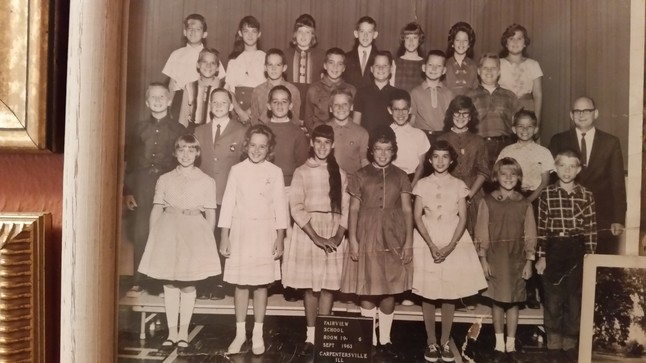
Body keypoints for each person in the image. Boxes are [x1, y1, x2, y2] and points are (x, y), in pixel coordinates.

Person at [137, 135, 220, 354]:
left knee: (188, 283)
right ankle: (172, 333)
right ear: (175, 152)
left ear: (197, 154)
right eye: (181, 150)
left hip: (193, 232)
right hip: (168, 231)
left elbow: (210, 213)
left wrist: (207, 240)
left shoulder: (206, 181)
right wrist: (153, 237)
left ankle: (183, 333)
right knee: (170, 283)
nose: (186, 155)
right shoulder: (164, 179)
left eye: (190, 151)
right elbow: (156, 209)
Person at [340, 126, 413, 356]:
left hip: (394, 233)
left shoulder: (401, 175)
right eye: (379, 149)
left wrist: (409, 241)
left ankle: (386, 338)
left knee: (390, 287)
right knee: (368, 288)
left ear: (394, 151)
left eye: (388, 150)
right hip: (367, 232)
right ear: (371, 151)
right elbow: (353, 209)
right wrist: (352, 238)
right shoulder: (360, 175)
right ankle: (368, 339)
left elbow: (408, 210)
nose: (383, 154)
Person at [411, 140, 487, 363]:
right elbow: (417, 216)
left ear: (452, 160)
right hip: (427, 239)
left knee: (449, 292)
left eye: (445, 156)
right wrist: (432, 245)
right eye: (436, 156)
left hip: (454, 239)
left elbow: (463, 218)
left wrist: (451, 245)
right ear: (430, 159)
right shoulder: (422, 184)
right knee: (429, 290)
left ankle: (445, 341)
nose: (440, 161)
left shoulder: (459, 184)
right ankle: (431, 341)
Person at [219, 124, 288, 355]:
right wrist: (224, 236)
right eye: (253, 145)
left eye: (262, 146)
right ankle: (240, 334)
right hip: (240, 232)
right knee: (241, 284)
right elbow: (228, 203)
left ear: (269, 149)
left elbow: (280, 206)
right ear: (246, 145)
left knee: (260, 284)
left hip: (264, 232)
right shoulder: (236, 170)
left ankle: (258, 333)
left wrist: (280, 238)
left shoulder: (275, 172)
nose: (257, 150)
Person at [282, 125, 350, 355]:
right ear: (312, 143)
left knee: (328, 286)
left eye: (326, 143)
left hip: (332, 231)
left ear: (332, 146)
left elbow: (346, 208)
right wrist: (316, 237)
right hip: (309, 232)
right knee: (311, 287)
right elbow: (297, 207)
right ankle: (311, 336)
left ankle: (324, 335)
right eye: (318, 142)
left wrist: (338, 236)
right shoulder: (302, 171)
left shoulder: (339, 173)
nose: (322, 147)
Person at [124, 83, 186, 297]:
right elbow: (129, 161)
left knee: (166, 230)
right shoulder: (137, 129)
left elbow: (185, 159)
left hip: (168, 182)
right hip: (142, 183)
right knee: (142, 231)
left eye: (162, 97)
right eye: (153, 97)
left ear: (169, 101)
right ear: (147, 102)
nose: (158, 100)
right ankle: (140, 279)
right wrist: (128, 190)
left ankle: (163, 280)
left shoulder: (179, 130)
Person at [535, 149, 597, 363]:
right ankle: (553, 345)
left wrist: (590, 257)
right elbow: (541, 228)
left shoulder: (586, 195)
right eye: (562, 166)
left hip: (577, 249)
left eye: (572, 166)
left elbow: (591, 229)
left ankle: (570, 344)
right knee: (553, 299)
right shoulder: (547, 194)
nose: (567, 170)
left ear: (579, 169)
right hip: (553, 248)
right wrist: (541, 256)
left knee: (574, 299)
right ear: (555, 168)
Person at [475, 157, 537, 363]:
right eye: (503, 173)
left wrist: (529, 260)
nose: (508, 177)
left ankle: (511, 345)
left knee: (514, 301)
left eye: (513, 174)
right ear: (495, 176)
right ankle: (498, 344)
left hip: (517, 258)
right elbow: (481, 232)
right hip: (495, 256)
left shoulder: (524, 203)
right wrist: (483, 259)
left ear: (519, 177)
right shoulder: (488, 200)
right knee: (497, 300)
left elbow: (530, 234)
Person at [548, 96, 626, 255]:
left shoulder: (611, 142)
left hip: (601, 216)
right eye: (577, 111)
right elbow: (551, 180)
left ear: (595, 113)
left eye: (586, 110)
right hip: (566, 215)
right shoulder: (558, 140)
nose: (581, 114)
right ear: (571, 115)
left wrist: (618, 218)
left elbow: (617, 183)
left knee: (599, 264)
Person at [193, 88, 247, 300]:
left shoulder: (241, 130)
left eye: (223, 102)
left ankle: (221, 284)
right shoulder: (200, 130)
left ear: (231, 106)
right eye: (214, 102)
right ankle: (205, 282)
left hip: (228, 194)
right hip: (204, 195)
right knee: (205, 239)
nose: (218, 105)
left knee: (224, 239)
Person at [496, 110, 553, 309]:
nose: (525, 130)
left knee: (532, 243)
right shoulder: (507, 151)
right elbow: (500, 177)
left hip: (535, 199)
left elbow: (545, 181)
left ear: (536, 129)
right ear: (513, 129)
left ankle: (531, 292)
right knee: (514, 243)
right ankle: (515, 290)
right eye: (520, 126)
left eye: (529, 126)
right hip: (514, 197)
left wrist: (529, 201)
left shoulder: (543, 152)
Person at [437, 95, 489, 236]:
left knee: (474, 234)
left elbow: (483, 171)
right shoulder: (442, 139)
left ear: (471, 116)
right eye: (457, 113)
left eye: (465, 113)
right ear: (450, 115)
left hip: (474, 193)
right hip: (448, 193)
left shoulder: (478, 141)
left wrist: (469, 195)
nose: (461, 117)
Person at [162, 14, 226, 116]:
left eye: (198, 29)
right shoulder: (176, 54)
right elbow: (171, 85)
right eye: (190, 29)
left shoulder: (210, 55)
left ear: (204, 34)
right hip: (180, 97)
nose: (193, 32)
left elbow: (220, 80)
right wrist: (168, 106)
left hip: (205, 99)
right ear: (184, 32)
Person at [467, 53, 519, 171]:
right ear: (479, 71)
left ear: (499, 71)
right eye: (485, 68)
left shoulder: (510, 96)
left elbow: (519, 125)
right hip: (478, 146)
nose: (489, 71)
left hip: (505, 146)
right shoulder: (469, 96)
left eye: (493, 68)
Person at [499, 24, 543, 125]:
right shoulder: (498, 63)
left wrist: (537, 122)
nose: (515, 42)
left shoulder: (533, 65)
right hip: (504, 112)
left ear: (525, 43)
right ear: (506, 43)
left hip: (527, 111)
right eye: (511, 38)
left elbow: (538, 95)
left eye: (519, 38)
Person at [304, 47, 356, 132]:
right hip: (320, 136)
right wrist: (315, 135)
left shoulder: (351, 90)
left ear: (344, 68)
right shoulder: (314, 89)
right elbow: (308, 118)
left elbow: (354, 118)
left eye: (339, 64)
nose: (335, 67)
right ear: (325, 65)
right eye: (331, 63)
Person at [265, 85, 309, 187]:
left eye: (284, 101)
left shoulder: (298, 132)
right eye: (275, 102)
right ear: (269, 106)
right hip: (266, 183)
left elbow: (302, 164)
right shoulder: (262, 131)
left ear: (290, 106)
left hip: (289, 185)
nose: (280, 105)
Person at [225, 15, 266, 124]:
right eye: (246, 31)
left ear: (259, 34)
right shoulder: (233, 62)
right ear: (240, 33)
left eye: (254, 31)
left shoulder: (266, 58)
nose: (250, 35)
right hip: (238, 110)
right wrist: (239, 111)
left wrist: (251, 110)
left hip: (261, 108)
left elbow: (268, 88)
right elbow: (229, 90)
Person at [284, 13, 325, 120]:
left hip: (313, 104)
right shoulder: (285, 54)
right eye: (300, 32)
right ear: (295, 34)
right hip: (290, 103)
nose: (303, 36)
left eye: (308, 32)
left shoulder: (321, 55)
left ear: (313, 35)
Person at [410, 50, 455, 145]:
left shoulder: (448, 94)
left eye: (438, 66)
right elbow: (411, 120)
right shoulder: (415, 92)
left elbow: (451, 121)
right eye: (430, 65)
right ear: (423, 67)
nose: (434, 69)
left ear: (444, 70)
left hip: (443, 137)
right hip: (421, 137)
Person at [353, 50, 402, 135]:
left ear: (391, 69)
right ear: (371, 69)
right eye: (377, 65)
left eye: (385, 65)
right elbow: (356, 123)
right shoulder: (361, 92)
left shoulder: (397, 94)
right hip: (366, 142)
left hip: (389, 143)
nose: (381, 68)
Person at [388, 89, 430, 187]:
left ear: (410, 110)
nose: (400, 114)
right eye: (396, 109)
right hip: (390, 180)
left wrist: (412, 186)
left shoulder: (419, 135)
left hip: (413, 180)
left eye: (404, 109)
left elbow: (421, 165)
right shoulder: (386, 133)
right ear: (390, 110)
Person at [249, 49, 301, 125]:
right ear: (265, 68)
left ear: (284, 68)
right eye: (270, 65)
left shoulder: (293, 90)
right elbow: (254, 120)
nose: (274, 68)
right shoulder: (257, 91)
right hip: (264, 133)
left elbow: (295, 120)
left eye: (278, 65)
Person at [178, 48, 224, 131]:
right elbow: (183, 117)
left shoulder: (224, 87)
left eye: (212, 63)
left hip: (217, 130)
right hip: (194, 130)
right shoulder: (189, 87)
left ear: (217, 68)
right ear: (198, 65)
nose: (208, 66)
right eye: (204, 62)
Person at [327, 88, 369, 175]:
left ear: (351, 107)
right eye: (336, 105)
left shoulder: (362, 133)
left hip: (352, 180)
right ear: (330, 108)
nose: (341, 108)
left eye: (345, 104)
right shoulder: (323, 130)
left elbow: (364, 160)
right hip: (328, 178)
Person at [444, 22, 479, 96]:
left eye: (465, 40)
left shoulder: (474, 66)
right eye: (458, 40)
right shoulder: (444, 64)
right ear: (452, 43)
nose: (461, 44)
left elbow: (476, 91)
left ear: (469, 44)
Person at [344, 16, 379, 89]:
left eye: (369, 32)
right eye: (362, 31)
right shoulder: (346, 57)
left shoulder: (380, 57)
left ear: (375, 35)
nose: (365, 35)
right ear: (356, 33)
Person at [392, 22, 425, 92]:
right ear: (403, 40)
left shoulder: (425, 64)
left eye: (415, 38)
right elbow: (392, 86)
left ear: (419, 40)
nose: (411, 41)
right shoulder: (395, 62)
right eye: (407, 38)